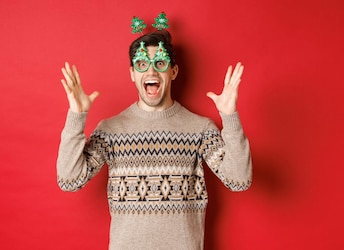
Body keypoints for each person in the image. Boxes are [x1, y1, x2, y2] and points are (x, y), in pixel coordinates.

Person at [56, 30, 252, 250]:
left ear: (173, 71)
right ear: (132, 73)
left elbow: (239, 180)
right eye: (142, 64)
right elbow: (69, 180)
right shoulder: (111, 130)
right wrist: (77, 115)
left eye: (160, 63)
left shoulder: (200, 129)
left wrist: (230, 116)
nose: (151, 70)